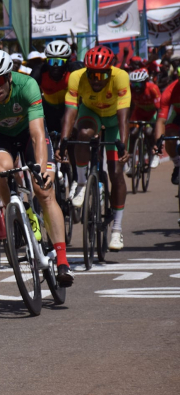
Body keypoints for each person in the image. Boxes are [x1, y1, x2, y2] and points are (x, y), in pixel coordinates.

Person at [0, 50, 73, 286]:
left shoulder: (28, 85)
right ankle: (16, 214)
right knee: (0, 170)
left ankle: (63, 260)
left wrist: (42, 169)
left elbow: (37, 134)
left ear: (9, 77)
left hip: (27, 133)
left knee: (44, 190)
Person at [60, 45, 130, 252]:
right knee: (82, 135)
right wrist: (64, 140)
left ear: (110, 71)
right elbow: (70, 111)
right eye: (92, 74)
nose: (96, 79)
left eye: (102, 74)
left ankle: (116, 228)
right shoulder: (76, 77)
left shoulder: (121, 77)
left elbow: (123, 114)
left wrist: (123, 143)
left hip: (114, 120)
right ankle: (81, 182)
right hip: (91, 114)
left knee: (116, 173)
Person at [32, 40, 73, 136]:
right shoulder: (39, 71)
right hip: (48, 109)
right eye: (51, 61)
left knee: (71, 132)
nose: (55, 66)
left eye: (59, 62)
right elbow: (26, 93)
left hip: (68, 108)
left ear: (67, 62)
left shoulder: (74, 70)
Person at [127, 68, 161, 173]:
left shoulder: (152, 88)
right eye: (134, 85)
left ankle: (153, 153)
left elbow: (159, 109)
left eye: (139, 85)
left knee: (149, 132)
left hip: (152, 113)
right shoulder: (129, 89)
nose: (136, 88)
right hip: (139, 112)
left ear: (145, 83)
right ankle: (131, 161)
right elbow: (129, 106)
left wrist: (156, 127)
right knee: (133, 134)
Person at [154, 78, 180, 185]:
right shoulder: (169, 92)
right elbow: (161, 121)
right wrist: (158, 142)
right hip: (177, 116)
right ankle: (177, 164)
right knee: (169, 137)